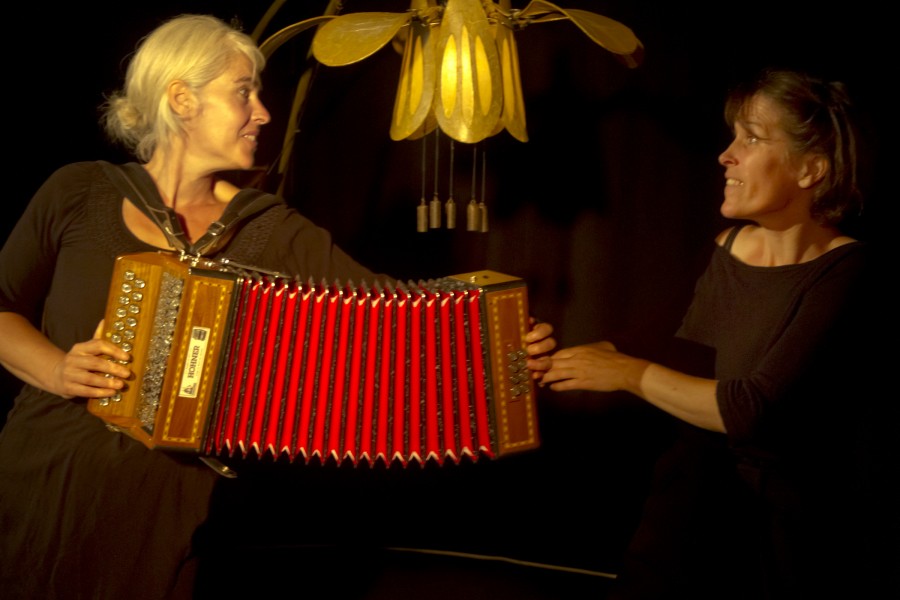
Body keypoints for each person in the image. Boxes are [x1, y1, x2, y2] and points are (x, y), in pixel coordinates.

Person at [0, 14, 555, 599]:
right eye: (244, 92)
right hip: (40, 481)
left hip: (168, 506)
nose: (262, 112)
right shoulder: (78, 191)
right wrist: (59, 371)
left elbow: (393, 315)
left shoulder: (270, 228)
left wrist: (499, 344)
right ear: (182, 99)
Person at [541, 68, 892, 599]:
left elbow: (752, 409)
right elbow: (669, 353)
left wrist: (625, 372)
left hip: (781, 538)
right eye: (733, 137)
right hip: (688, 517)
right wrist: (561, 358)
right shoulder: (730, 247)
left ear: (811, 169)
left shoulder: (847, 271)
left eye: (751, 138)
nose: (726, 155)